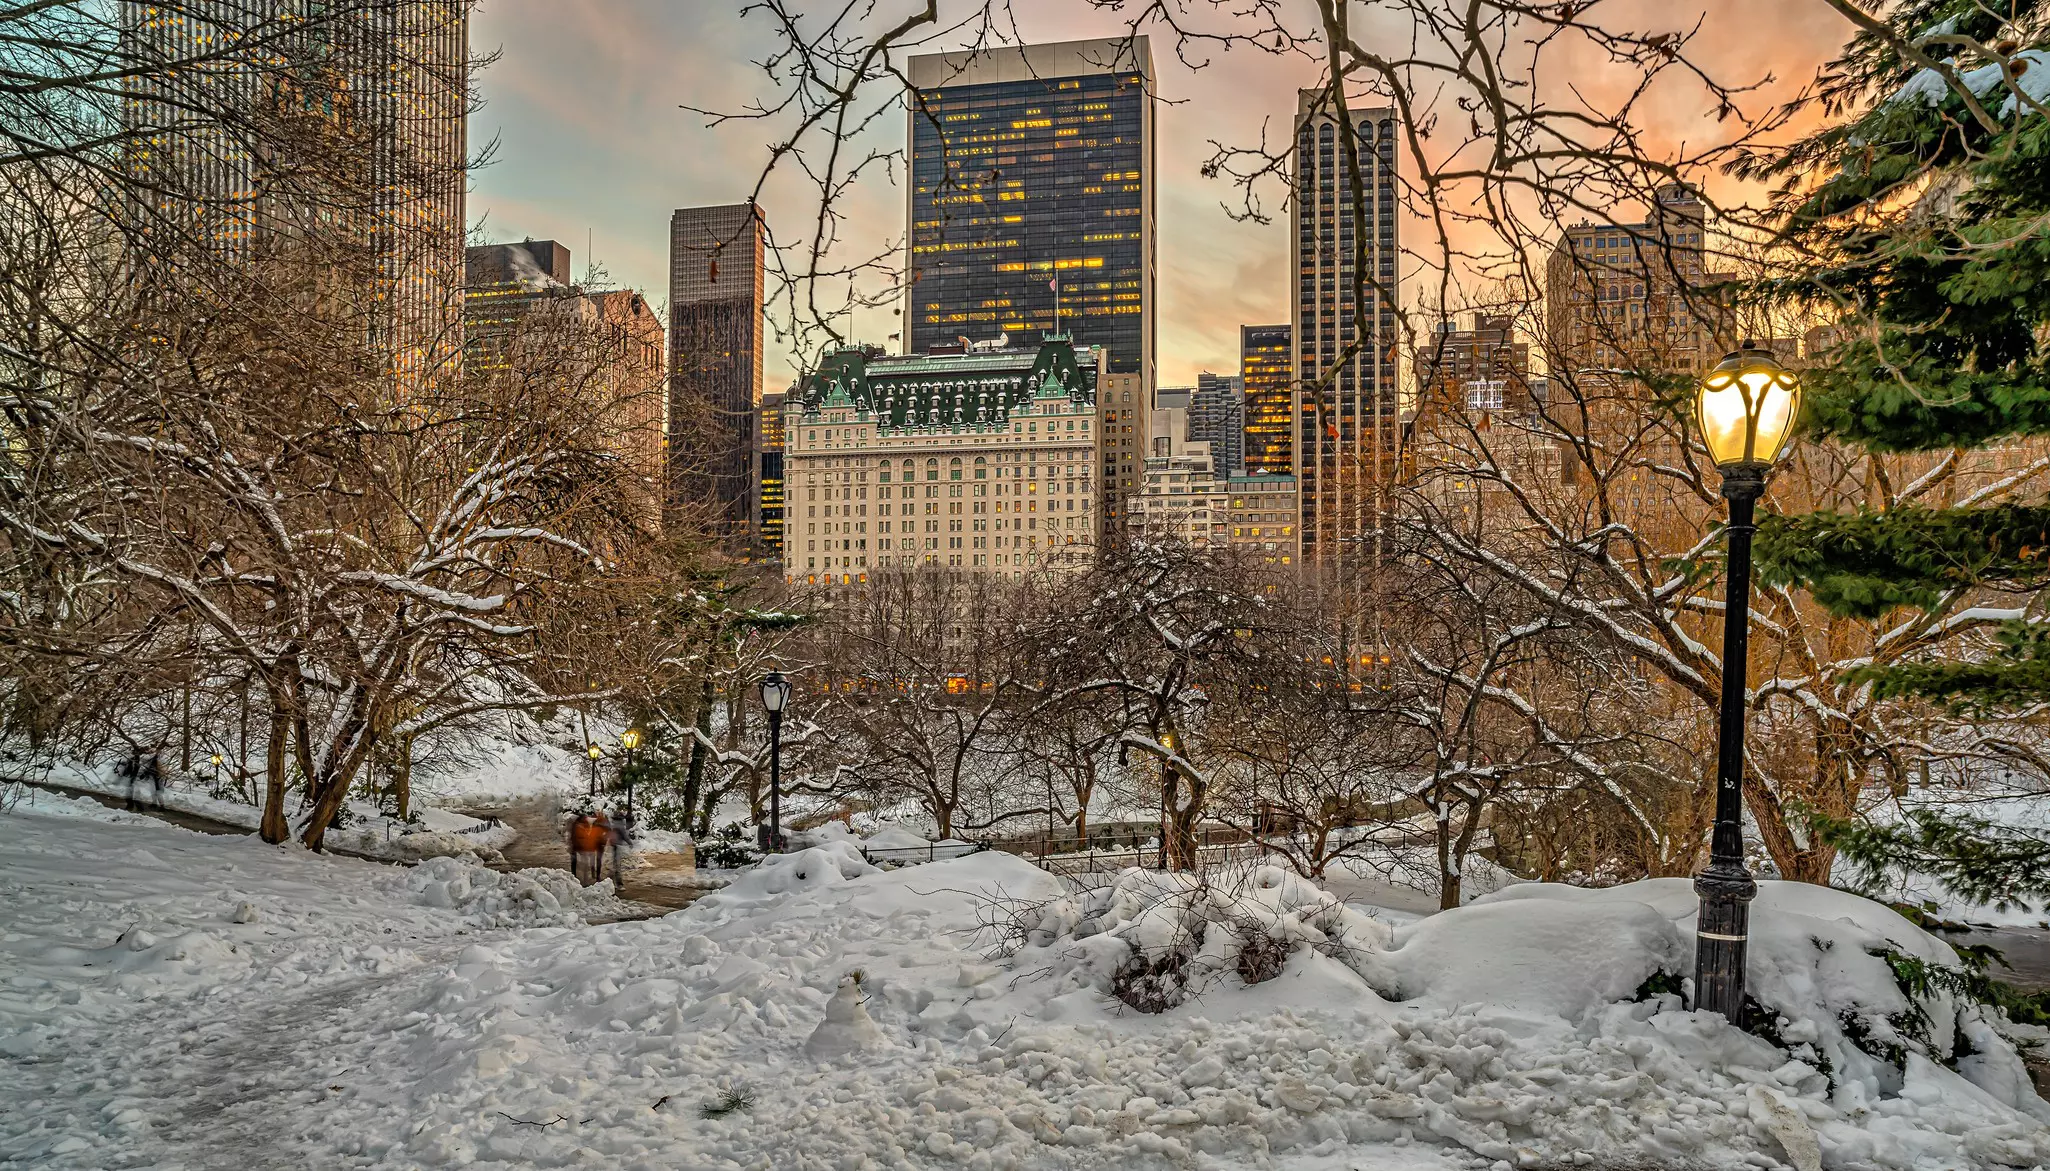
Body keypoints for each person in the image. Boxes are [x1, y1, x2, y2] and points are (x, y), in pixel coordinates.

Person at [569, 812, 606, 886]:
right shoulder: (578, 826)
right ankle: (583, 881)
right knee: (584, 865)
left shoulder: (582, 825)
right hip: (583, 848)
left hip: (585, 848)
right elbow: (578, 838)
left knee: (584, 865)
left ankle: (583, 879)